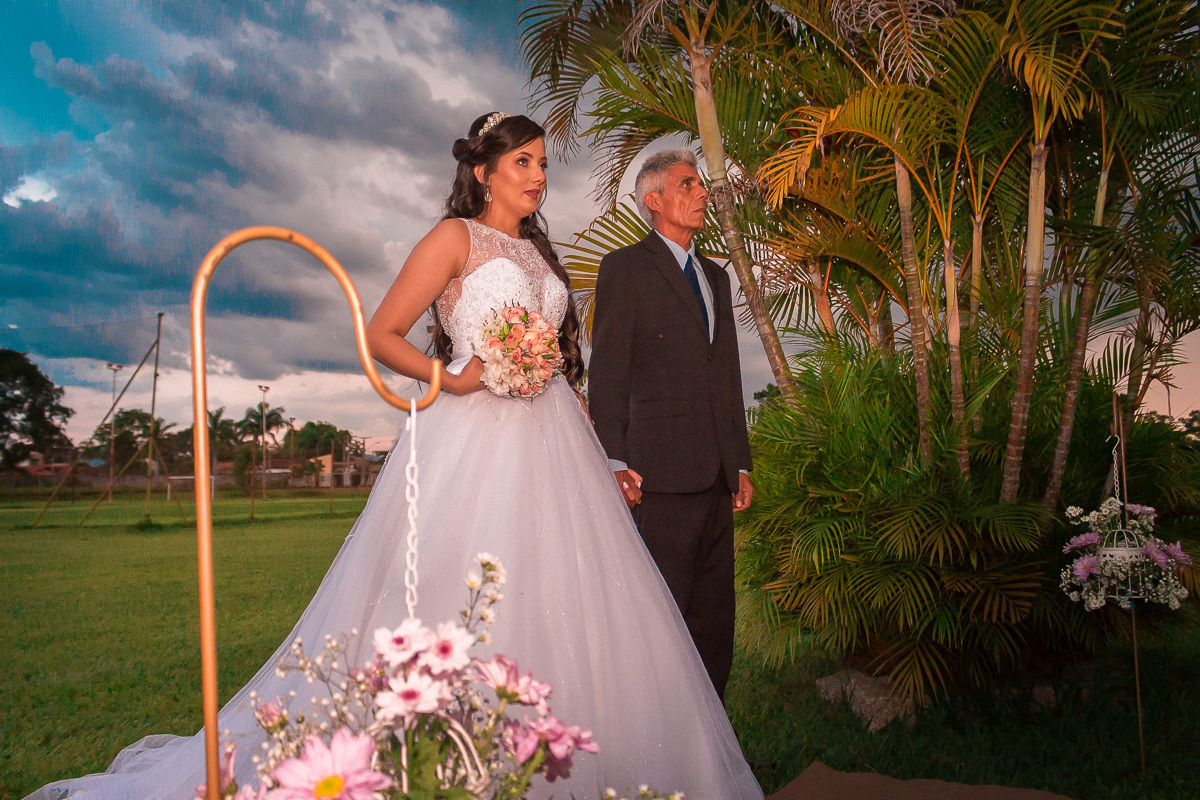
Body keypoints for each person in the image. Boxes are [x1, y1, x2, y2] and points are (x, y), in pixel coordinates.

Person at [28, 114, 763, 800]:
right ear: (482, 170)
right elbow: (383, 333)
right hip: (472, 435)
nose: (537, 176)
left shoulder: (542, 254)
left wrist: (597, 446)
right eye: (521, 162)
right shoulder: (453, 239)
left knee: (582, 602)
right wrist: (458, 376)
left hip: (557, 440)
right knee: (469, 593)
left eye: (542, 164)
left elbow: (566, 365)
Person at [588, 149, 753, 702]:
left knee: (714, 622)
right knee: (663, 620)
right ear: (654, 200)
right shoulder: (624, 270)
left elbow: (725, 374)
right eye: (690, 184)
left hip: (714, 481)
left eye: (702, 185)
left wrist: (739, 462)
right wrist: (613, 462)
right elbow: (607, 373)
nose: (704, 192)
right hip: (656, 479)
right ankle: (659, 741)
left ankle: (711, 743)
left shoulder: (715, 278)